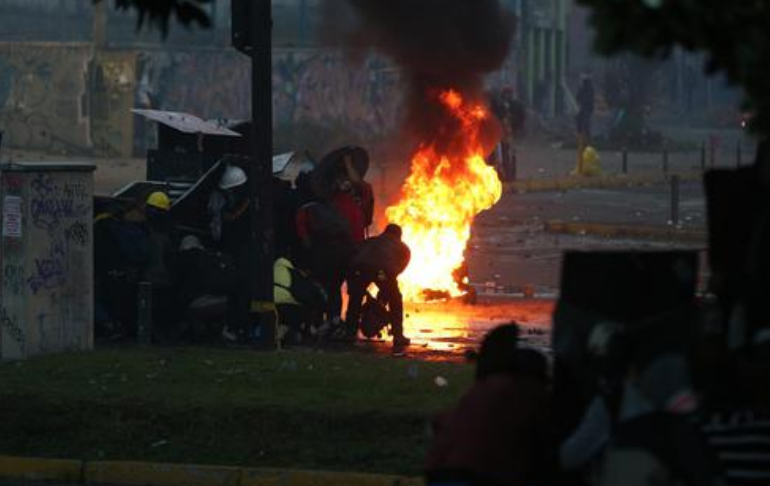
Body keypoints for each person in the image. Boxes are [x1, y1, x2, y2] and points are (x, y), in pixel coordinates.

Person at [425, 324, 555, 486]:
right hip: (479, 475)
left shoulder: (483, 388)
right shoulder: (528, 393)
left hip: (439, 473)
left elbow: (438, 424)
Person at [345, 224, 411, 350]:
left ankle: (349, 333)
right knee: (395, 298)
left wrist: (353, 282)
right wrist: (386, 290)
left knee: (356, 298)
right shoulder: (403, 248)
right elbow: (397, 270)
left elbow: (353, 256)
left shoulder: (370, 241)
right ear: (399, 235)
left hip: (360, 270)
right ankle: (398, 336)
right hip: (381, 272)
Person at [208, 163, 252, 343]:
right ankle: (234, 327)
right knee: (237, 292)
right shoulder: (226, 207)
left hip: (239, 255)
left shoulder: (235, 203)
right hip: (232, 257)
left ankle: (238, 327)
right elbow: (226, 221)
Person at [576, 75, 596, 141]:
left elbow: (589, 99)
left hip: (588, 108)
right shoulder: (582, 89)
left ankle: (587, 138)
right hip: (583, 108)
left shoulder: (590, 89)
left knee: (586, 123)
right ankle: (581, 136)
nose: (584, 83)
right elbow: (578, 97)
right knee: (579, 120)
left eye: (585, 81)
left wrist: (583, 101)